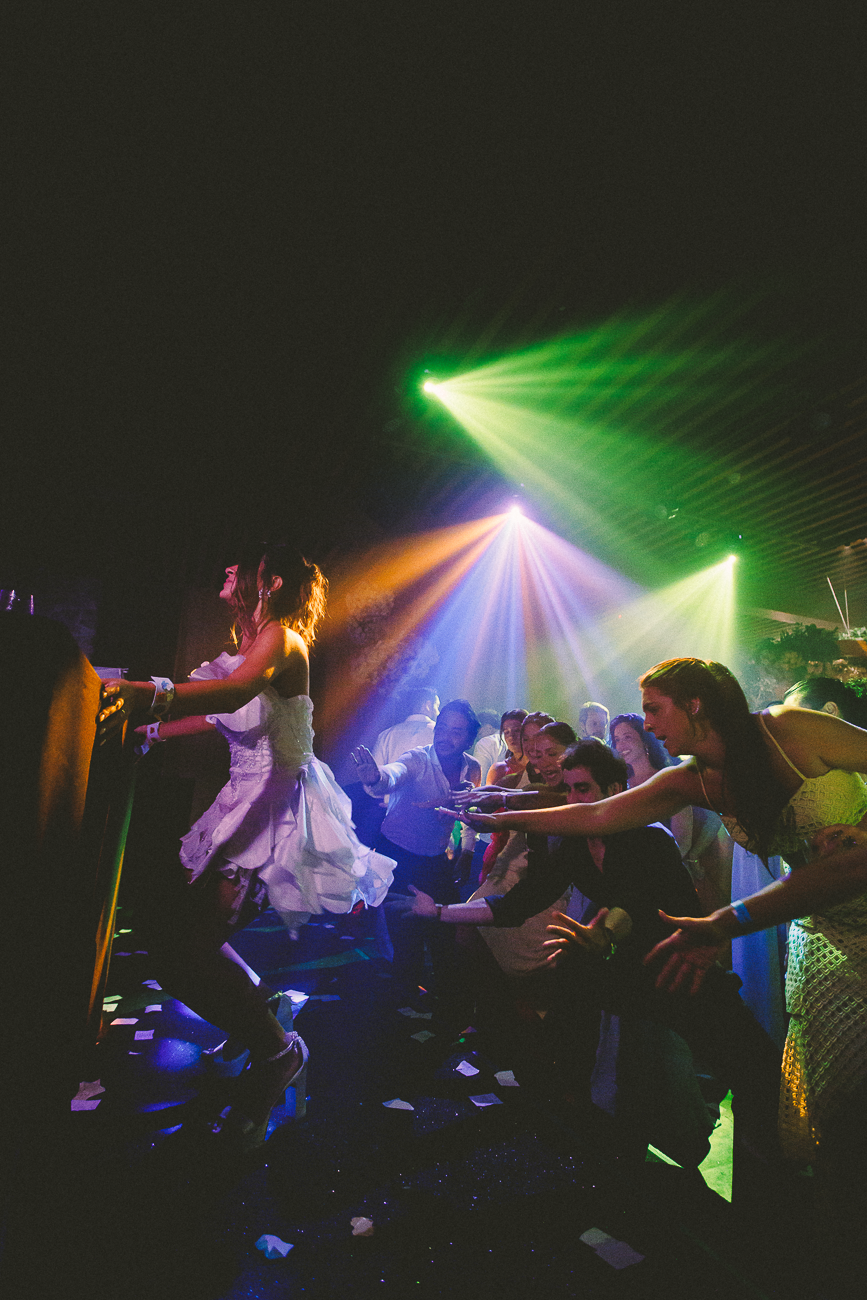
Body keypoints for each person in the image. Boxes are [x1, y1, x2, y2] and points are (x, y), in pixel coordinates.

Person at [445, 657, 867, 1233]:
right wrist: (509, 812)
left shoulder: (789, 729)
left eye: (654, 710)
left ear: (696, 705)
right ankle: (817, 1226)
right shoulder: (692, 778)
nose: (649, 725)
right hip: (821, 926)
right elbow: (597, 814)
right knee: (827, 1085)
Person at [98, 543, 395, 1148]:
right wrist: (154, 730)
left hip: (277, 811)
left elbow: (232, 695)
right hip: (241, 801)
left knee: (183, 950)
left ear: (270, 581)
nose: (226, 573)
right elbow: (217, 715)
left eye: (239, 569)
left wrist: (147, 692)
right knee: (187, 943)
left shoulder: (284, 639)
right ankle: (263, 1013)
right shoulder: (251, 646)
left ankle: (279, 1053)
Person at [350, 699, 481, 1002]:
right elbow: (393, 774)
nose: (445, 737)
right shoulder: (419, 759)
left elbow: (470, 814)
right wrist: (374, 776)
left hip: (435, 860)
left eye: (456, 732)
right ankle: (402, 1006)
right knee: (405, 935)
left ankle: (445, 1004)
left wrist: (467, 853)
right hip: (398, 856)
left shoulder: (471, 767)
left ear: (469, 739)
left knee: (444, 932)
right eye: (443, 728)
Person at [610, 711, 731, 913]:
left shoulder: (667, 779)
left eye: (628, 737)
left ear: (645, 739)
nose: (621, 745)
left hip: (667, 879)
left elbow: (681, 843)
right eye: (616, 739)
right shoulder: (619, 786)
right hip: (631, 883)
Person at [370, 686, 440, 769]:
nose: (438, 712)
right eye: (437, 706)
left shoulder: (386, 735)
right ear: (428, 705)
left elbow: (376, 773)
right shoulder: (440, 733)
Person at [472, 709, 505, 784]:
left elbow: (479, 780)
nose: (476, 736)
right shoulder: (510, 739)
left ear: (489, 727)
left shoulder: (484, 743)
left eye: (479, 732)